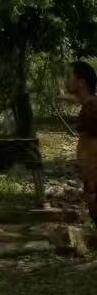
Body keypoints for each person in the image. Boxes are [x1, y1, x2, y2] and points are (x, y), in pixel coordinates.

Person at [69, 59, 97, 226]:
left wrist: (92, 188)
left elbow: (93, 148)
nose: (66, 81)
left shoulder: (92, 110)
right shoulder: (89, 106)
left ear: (81, 82)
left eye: (69, 76)